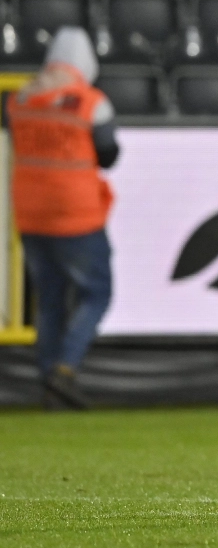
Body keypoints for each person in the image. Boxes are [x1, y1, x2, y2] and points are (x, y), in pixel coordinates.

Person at [5, 28, 119, 410]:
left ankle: (46, 377)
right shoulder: (90, 102)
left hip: (31, 213)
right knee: (96, 292)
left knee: (50, 300)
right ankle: (64, 370)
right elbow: (108, 154)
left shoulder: (21, 98)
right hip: (76, 213)